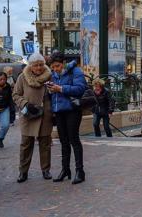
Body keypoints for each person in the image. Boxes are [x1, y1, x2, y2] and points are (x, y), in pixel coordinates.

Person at [12, 53, 53, 183]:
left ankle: (46, 170)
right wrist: (25, 104)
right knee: (26, 145)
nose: (39, 68)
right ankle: (23, 172)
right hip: (28, 115)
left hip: (45, 115)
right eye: (36, 65)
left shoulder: (50, 76)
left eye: (41, 65)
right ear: (31, 66)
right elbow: (15, 95)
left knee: (45, 144)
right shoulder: (22, 77)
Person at [48, 52, 87, 184]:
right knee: (63, 141)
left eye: (57, 66)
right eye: (53, 67)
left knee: (74, 139)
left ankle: (80, 171)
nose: (55, 69)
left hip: (72, 110)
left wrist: (61, 88)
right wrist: (51, 90)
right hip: (59, 111)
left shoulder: (75, 71)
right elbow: (55, 93)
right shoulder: (53, 74)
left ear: (64, 62)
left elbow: (81, 88)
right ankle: (65, 170)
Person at [0, 72, 13, 148]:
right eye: (1, 79)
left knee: (6, 125)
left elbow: (10, 98)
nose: (3, 81)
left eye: (4, 79)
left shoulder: (8, 86)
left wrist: (12, 109)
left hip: (4, 108)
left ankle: (0, 138)